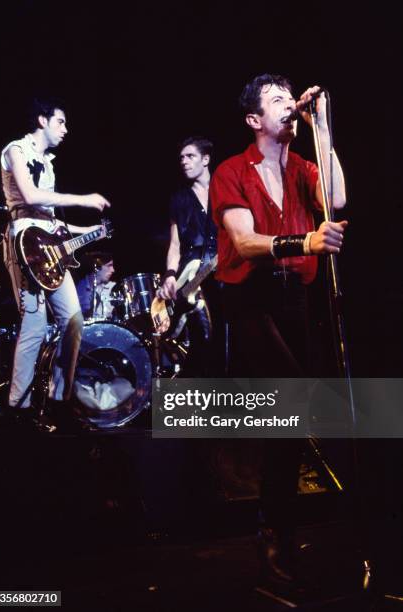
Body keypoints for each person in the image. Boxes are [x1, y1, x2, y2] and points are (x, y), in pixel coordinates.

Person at [210, 73, 347, 589]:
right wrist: (305, 244)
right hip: (249, 299)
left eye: (291, 98)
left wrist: (322, 126)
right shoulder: (230, 170)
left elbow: (335, 197)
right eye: (276, 101)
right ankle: (274, 533)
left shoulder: (304, 165)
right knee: (290, 403)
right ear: (254, 120)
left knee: (292, 417)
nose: (289, 106)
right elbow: (244, 243)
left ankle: (280, 531)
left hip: (296, 299)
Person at [1, 96, 110, 427]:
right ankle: (16, 408)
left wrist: (87, 230)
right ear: (42, 120)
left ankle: (59, 399)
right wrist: (84, 200)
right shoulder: (16, 150)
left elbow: (51, 221)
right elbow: (31, 198)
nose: (66, 129)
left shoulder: (49, 163)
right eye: (60, 121)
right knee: (33, 325)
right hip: (24, 242)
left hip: (50, 247)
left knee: (74, 320)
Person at [157, 136, 224, 376]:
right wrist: (170, 275)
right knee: (202, 341)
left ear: (206, 159)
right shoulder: (179, 199)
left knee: (225, 339)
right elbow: (175, 244)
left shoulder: (226, 188)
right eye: (182, 158)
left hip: (224, 272)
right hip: (192, 277)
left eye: (190, 156)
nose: (184, 162)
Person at [76, 252, 116, 320]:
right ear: (97, 267)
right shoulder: (77, 290)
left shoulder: (114, 287)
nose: (113, 270)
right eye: (109, 266)